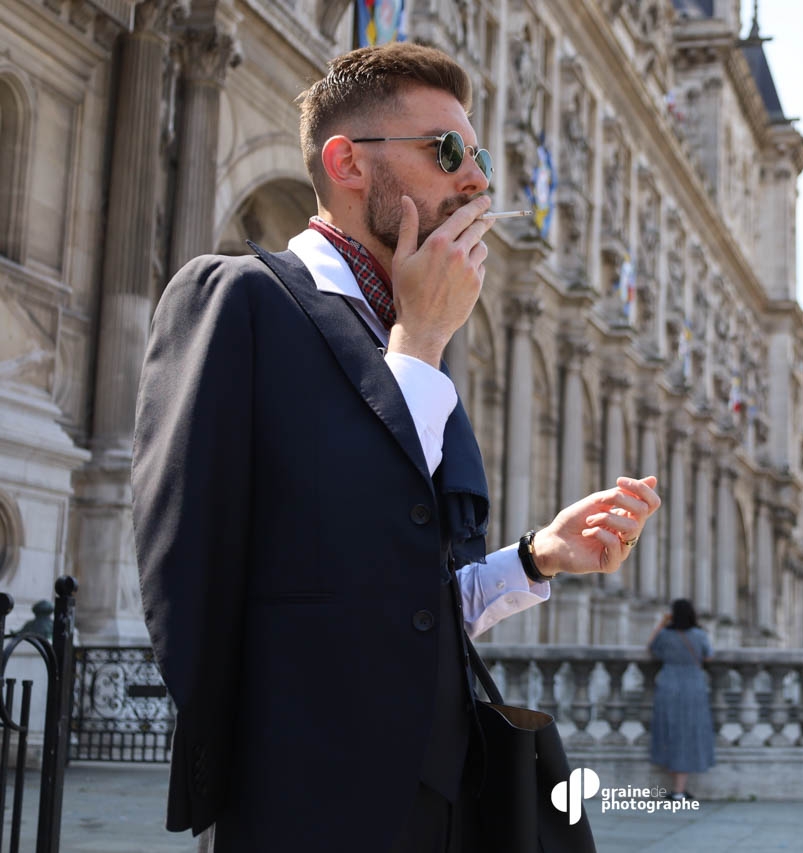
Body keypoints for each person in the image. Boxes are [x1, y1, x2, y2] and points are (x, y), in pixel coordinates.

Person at [132, 42, 663, 853]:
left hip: (445, 801)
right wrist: (419, 347)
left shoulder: (413, 326)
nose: (478, 180)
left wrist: (536, 558)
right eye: (447, 152)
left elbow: (408, 605)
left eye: (477, 155)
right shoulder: (238, 299)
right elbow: (192, 584)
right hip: (308, 802)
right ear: (347, 161)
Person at [648, 599, 715, 800]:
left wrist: (661, 624)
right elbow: (709, 657)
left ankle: (677, 787)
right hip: (693, 686)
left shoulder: (666, 636)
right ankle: (680, 788)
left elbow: (651, 648)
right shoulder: (699, 635)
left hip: (668, 685)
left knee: (670, 731)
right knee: (689, 733)